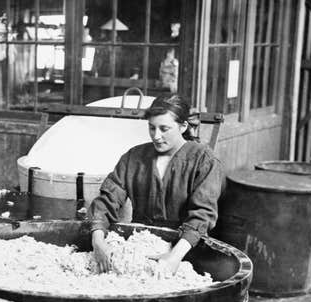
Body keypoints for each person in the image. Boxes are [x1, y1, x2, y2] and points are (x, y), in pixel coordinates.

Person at [88, 94, 223, 275]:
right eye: (152, 128)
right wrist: (98, 241)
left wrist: (174, 257)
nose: (156, 136)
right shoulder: (133, 158)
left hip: (185, 251)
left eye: (164, 128)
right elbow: (107, 201)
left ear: (183, 126)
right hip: (140, 248)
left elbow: (202, 215)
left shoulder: (203, 160)